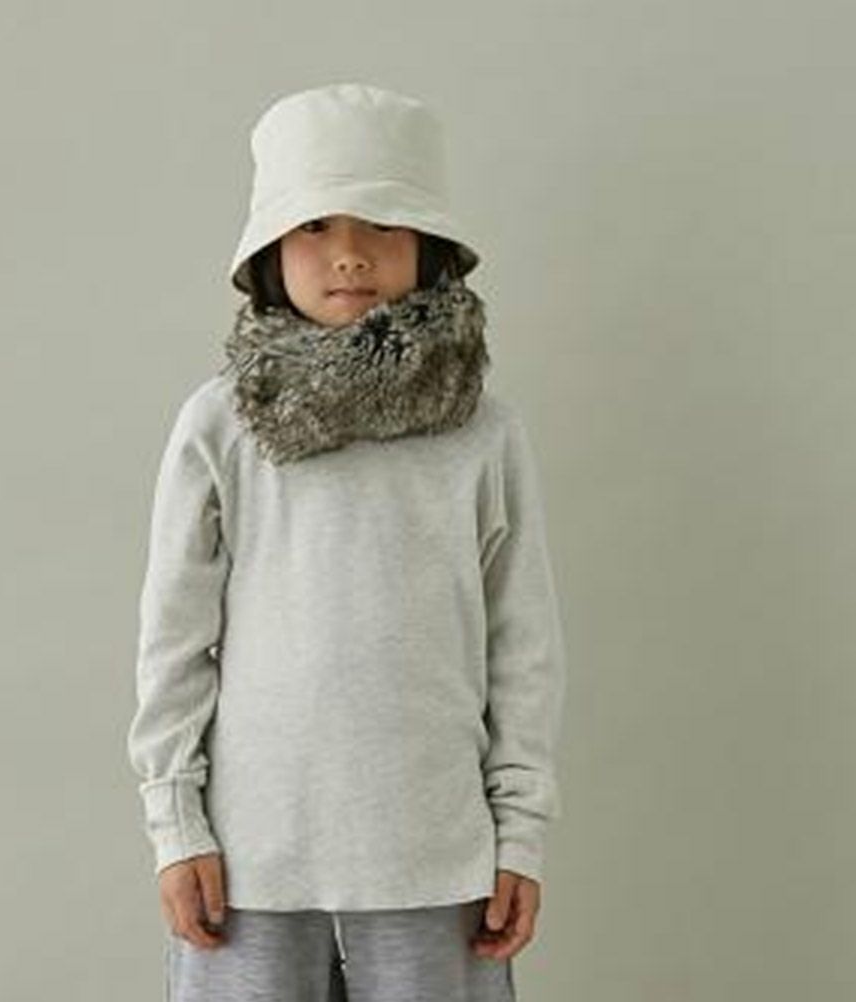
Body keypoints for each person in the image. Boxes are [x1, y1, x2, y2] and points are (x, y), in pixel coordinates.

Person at [126, 82, 568, 1002]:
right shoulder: (220, 425)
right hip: (248, 861)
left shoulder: (484, 434)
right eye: (315, 226)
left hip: (437, 859)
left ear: (429, 245)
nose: (351, 253)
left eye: (383, 224)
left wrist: (519, 834)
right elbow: (174, 639)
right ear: (269, 251)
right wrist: (177, 826)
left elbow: (524, 644)